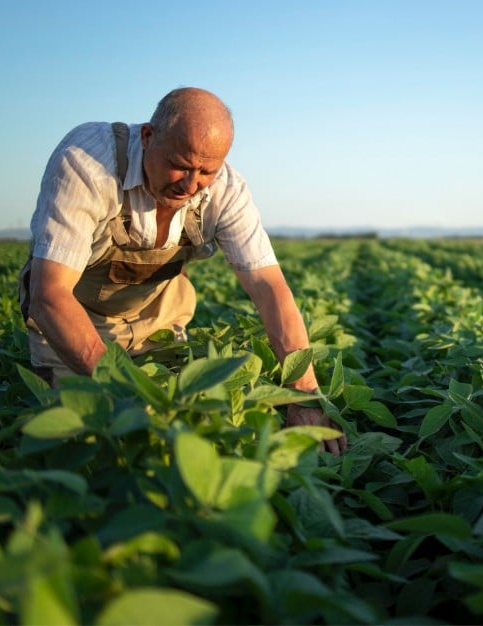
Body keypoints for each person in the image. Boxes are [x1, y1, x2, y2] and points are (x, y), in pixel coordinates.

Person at [18, 86, 347, 455]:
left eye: (206, 171)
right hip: (75, 322)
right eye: (180, 164)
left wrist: (303, 396)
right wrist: (129, 394)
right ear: (147, 136)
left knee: (193, 433)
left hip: (158, 320)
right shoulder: (87, 162)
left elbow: (270, 290)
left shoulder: (227, 190)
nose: (190, 185)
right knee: (87, 440)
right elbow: (49, 296)